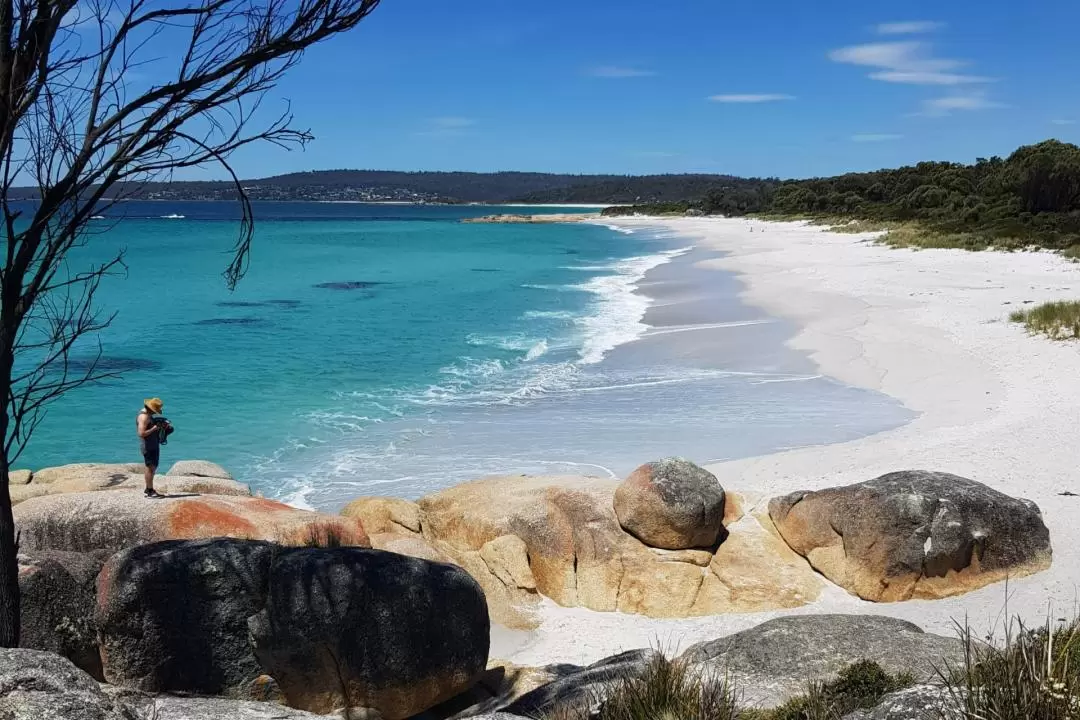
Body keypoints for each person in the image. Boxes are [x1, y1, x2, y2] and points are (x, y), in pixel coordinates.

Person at [137, 398, 170, 498]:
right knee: (150, 468)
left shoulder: (148, 416)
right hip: (148, 446)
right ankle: (150, 491)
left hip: (153, 444)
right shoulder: (144, 417)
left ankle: (149, 488)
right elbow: (141, 433)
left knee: (153, 467)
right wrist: (155, 428)